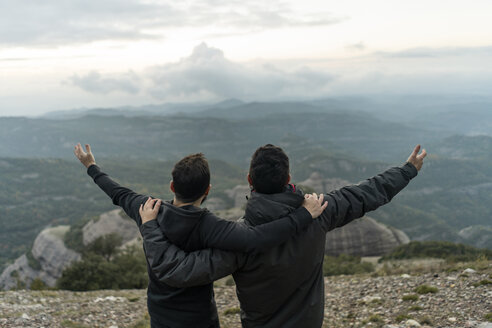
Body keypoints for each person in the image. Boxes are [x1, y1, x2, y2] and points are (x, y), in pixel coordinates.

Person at [140, 144, 427, 328]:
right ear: (288, 180)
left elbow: (179, 270)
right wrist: (407, 170)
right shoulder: (320, 212)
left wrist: (152, 226)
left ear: (250, 181)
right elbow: (368, 193)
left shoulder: (239, 240)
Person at [73, 143, 327, 328]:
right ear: (208, 190)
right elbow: (256, 239)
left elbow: (117, 192)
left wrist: (91, 166)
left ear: (172, 186)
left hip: (161, 316)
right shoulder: (212, 226)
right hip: (200, 318)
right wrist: (304, 216)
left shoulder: (148, 210)